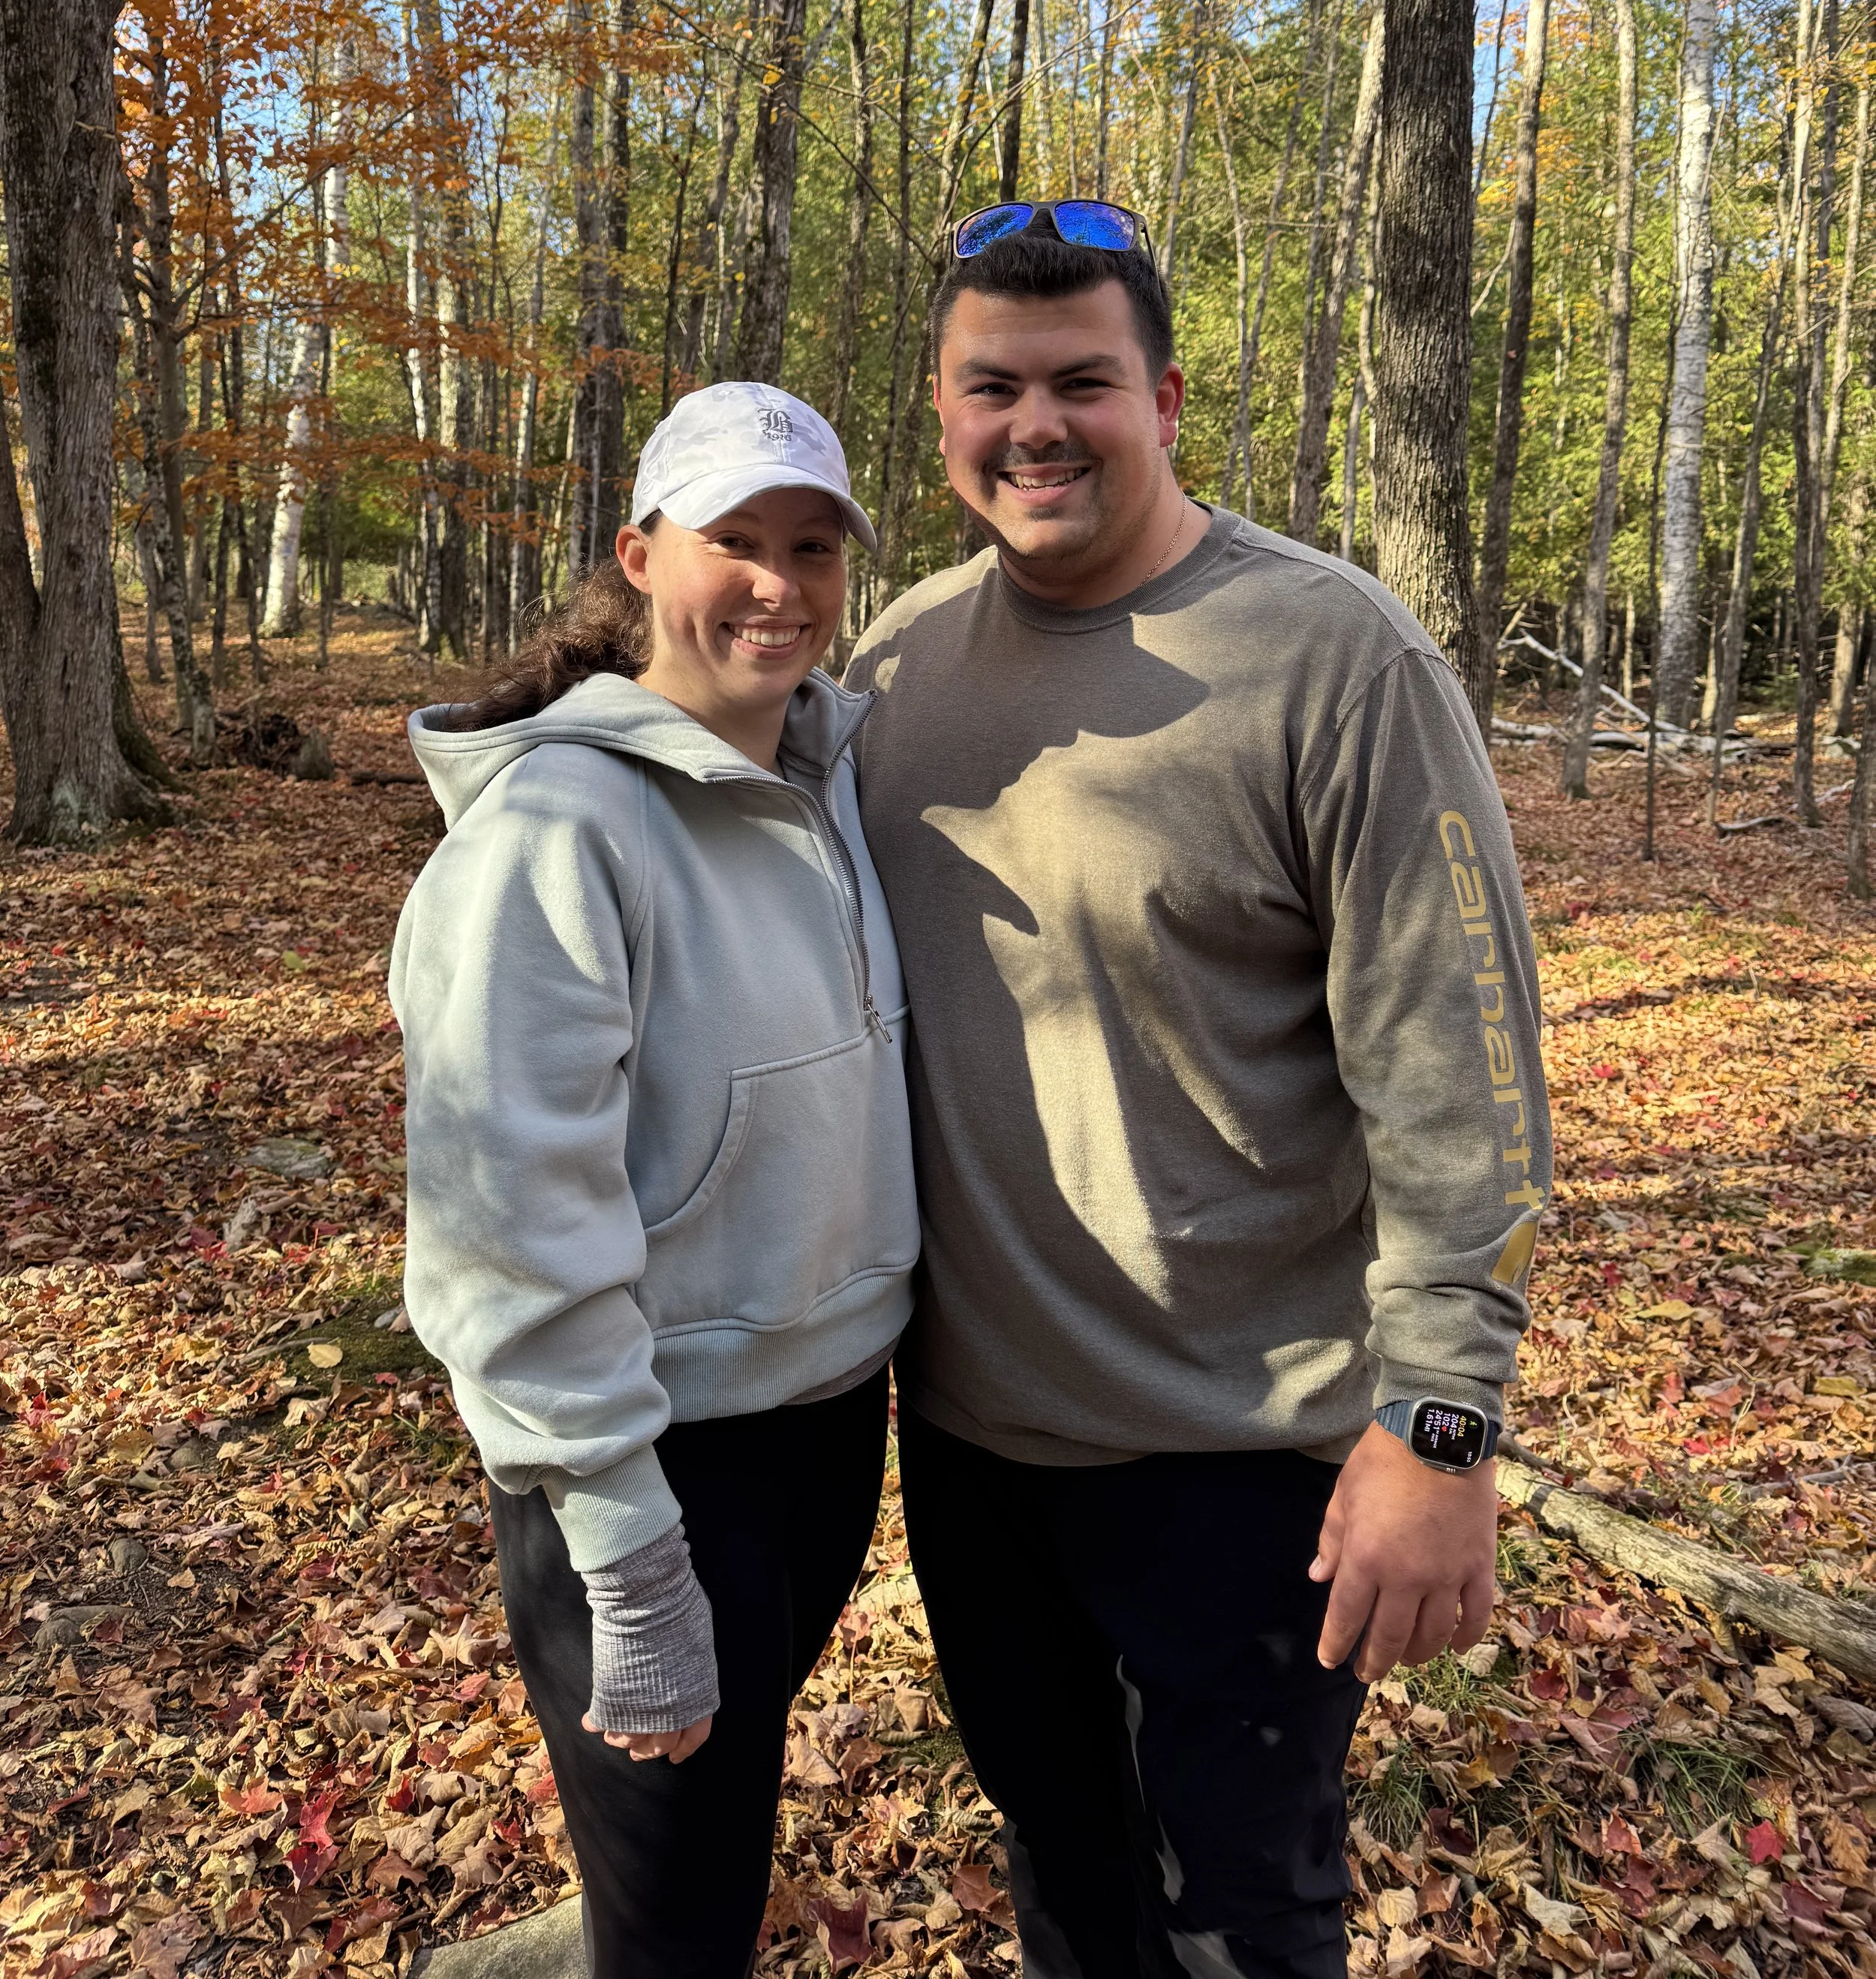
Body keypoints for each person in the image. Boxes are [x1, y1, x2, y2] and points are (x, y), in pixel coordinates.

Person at [844, 202, 1551, 1979]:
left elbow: (1456, 1067)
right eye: (989, 386)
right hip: (973, 1447)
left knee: (1238, 1923)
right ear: (937, 415)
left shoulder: (1330, 657)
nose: (1036, 424)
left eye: (1081, 380)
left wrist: (1441, 1422)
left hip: (1243, 1461)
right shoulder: (890, 671)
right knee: (1067, 1888)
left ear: (1160, 398)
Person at [389, 383, 918, 1979]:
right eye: (733, 542)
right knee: (682, 1931)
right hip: (651, 1469)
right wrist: (625, 1550)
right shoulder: (554, 830)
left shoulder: (827, 779)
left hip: (823, 1428)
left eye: (811, 545)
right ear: (638, 556)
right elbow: (505, 1222)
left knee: (699, 1859)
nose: (777, 583)